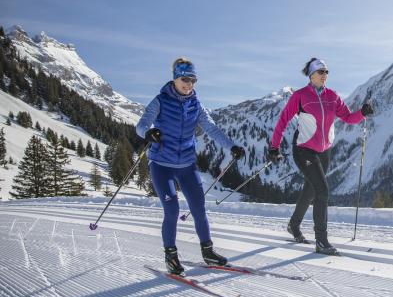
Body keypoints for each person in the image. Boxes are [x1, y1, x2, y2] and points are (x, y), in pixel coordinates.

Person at [136, 58, 245, 274]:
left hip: (186, 165)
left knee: (198, 208)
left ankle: (208, 251)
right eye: (185, 79)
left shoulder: (196, 104)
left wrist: (232, 147)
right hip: (161, 165)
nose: (189, 84)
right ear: (175, 78)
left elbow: (212, 129)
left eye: (193, 80)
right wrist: (148, 133)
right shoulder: (160, 101)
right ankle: (171, 256)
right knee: (172, 209)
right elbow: (141, 125)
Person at [269, 57, 374, 255]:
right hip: (303, 149)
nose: (325, 75)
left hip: (324, 151)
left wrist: (363, 112)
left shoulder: (333, 96)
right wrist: (274, 147)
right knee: (323, 191)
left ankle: (293, 225)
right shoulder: (300, 96)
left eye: (327, 72)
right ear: (311, 75)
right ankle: (322, 241)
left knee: (311, 190)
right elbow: (283, 121)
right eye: (321, 72)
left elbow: (349, 118)